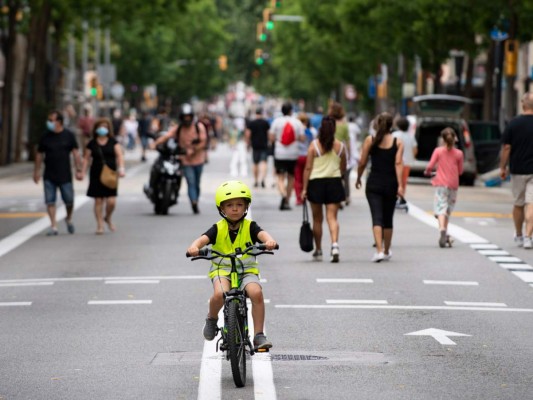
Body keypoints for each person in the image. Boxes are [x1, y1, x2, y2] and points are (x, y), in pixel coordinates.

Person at [186, 180, 277, 349]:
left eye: (239, 204)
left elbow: (262, 235)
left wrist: (269, 241)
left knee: (256, 293)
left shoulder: (250, 226)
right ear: (221, 209)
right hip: (222, 269)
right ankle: (212, 319)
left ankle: (259, 335)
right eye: (229, 205)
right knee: (220, 294)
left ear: (246, 207)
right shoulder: (217, 228)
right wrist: (194, 247)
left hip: (246, 270)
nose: (235, 209)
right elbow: (202, 239)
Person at [356, 112, 404, 262]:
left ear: (376, 124)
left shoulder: (370, 140)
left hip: (374, 183)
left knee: (376, 217)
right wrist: (400, 185)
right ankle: (387, 250)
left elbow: (362, 162)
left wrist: (358, 177)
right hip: (391, 184)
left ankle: (379, 251)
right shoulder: (397, 142)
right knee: (388, 218)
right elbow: (398, 164)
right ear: (391, 125)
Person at [301, 116, 346, 262]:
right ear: (334, 129)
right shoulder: (340, 146)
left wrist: (304, 188)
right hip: (334, 182)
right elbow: (343, 167)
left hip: (316, 183)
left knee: (317, 219)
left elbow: (308, 168)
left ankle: (319, 249)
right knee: (332, 217)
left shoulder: (314, 146)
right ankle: (334, 245)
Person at [151, 103, 208, 214]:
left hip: (198, 160)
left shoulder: (198, 127)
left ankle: (196, 198)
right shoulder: (179, 128)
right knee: (190, 182)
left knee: (196, 183)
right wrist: (155, 143)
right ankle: (194, 202)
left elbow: (203, 142)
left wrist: (193, 150)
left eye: (188, 116)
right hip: (185, 160)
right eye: (184, 117)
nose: (187, 119)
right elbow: (167, 136)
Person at [34, 110, 83, 236]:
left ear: (59, 122)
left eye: (52, 120)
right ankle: (53, 225)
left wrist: (79, 169)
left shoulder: (68, 135)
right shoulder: (45, 136)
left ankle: (68, 218)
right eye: (49, 120)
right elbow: (39, 154)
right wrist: (37, 171)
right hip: (49, 174)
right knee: (50, 201)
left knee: (69, 200)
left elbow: (76, 153)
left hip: (65, 174)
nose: (49, 123)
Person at [500, 91, 533, 249]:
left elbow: (507, 147)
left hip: (518, 170)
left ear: (523, 104)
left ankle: (519, 235)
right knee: (532, 203)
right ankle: (528, 237)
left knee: (519, 204)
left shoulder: (513, 124)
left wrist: (502, 167)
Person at [81, 118, 125, 234]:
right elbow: (86, 158)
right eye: (100, 127)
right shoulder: (92, 143)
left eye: (105, 127)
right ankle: (100, 224)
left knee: (111, 201)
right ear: (96, 129)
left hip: (110, 174)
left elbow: (119, 156)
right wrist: (82, 171)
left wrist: (121, 169)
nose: (102, 129)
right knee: (98, 200)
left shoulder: (113, 142)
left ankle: (108, 217)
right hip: (96, 173)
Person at [424, 128, 464, 247]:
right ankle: (445, 234)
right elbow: (461, 171)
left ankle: (442, 229)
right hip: (453, 184)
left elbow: (430, 165)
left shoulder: (438, 151)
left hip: (441, 183)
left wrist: (427, 171)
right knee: (447, 210)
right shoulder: (459, 153)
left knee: (441, 208)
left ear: (442, 139)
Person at [269, 102, 305, 210]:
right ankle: (287, 200)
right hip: (293, 154)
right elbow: (302, 138)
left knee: (280, 177)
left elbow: (271, 138)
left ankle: (283, 194)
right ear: (291, 111)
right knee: (291, 177)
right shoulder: (297, 122)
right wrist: (294, 139)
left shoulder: (276, 121)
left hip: (279, 153)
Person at [329, 102, 351, 206]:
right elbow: (348, 141)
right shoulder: (344, 125)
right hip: (341, 150)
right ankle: (344, 196)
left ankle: (335, 196)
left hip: (330, 149)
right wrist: (349, 154)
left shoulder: (328, 123)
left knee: (332, 174)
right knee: (342, 175)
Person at [393, 117, 417, 208]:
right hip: (407, 162)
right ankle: (401, 197)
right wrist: (412, 157)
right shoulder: (411, 136)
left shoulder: (395, 135)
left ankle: (395, 197)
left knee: (396, 180)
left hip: (396, 162)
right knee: (403, 181)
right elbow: (415, 149)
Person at [294, 112, 316, 205]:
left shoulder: (295, 130)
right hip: (308, 156)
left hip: (297, 156)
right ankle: (306, 195)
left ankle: (299, 198)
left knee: (297, 178)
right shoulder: (311, 131)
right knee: (306, 177)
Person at [245, 108, 270, 188]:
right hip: (264, 145)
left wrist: (248, 144)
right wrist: (269, 142)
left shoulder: (252, 123)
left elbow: (248, 134)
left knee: (255, 163)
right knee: (264, 162)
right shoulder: (265, 123)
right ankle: (263, 179)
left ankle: (256, 180)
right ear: (262, 113)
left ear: (255, 113)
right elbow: (268, 133)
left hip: (255, 145)